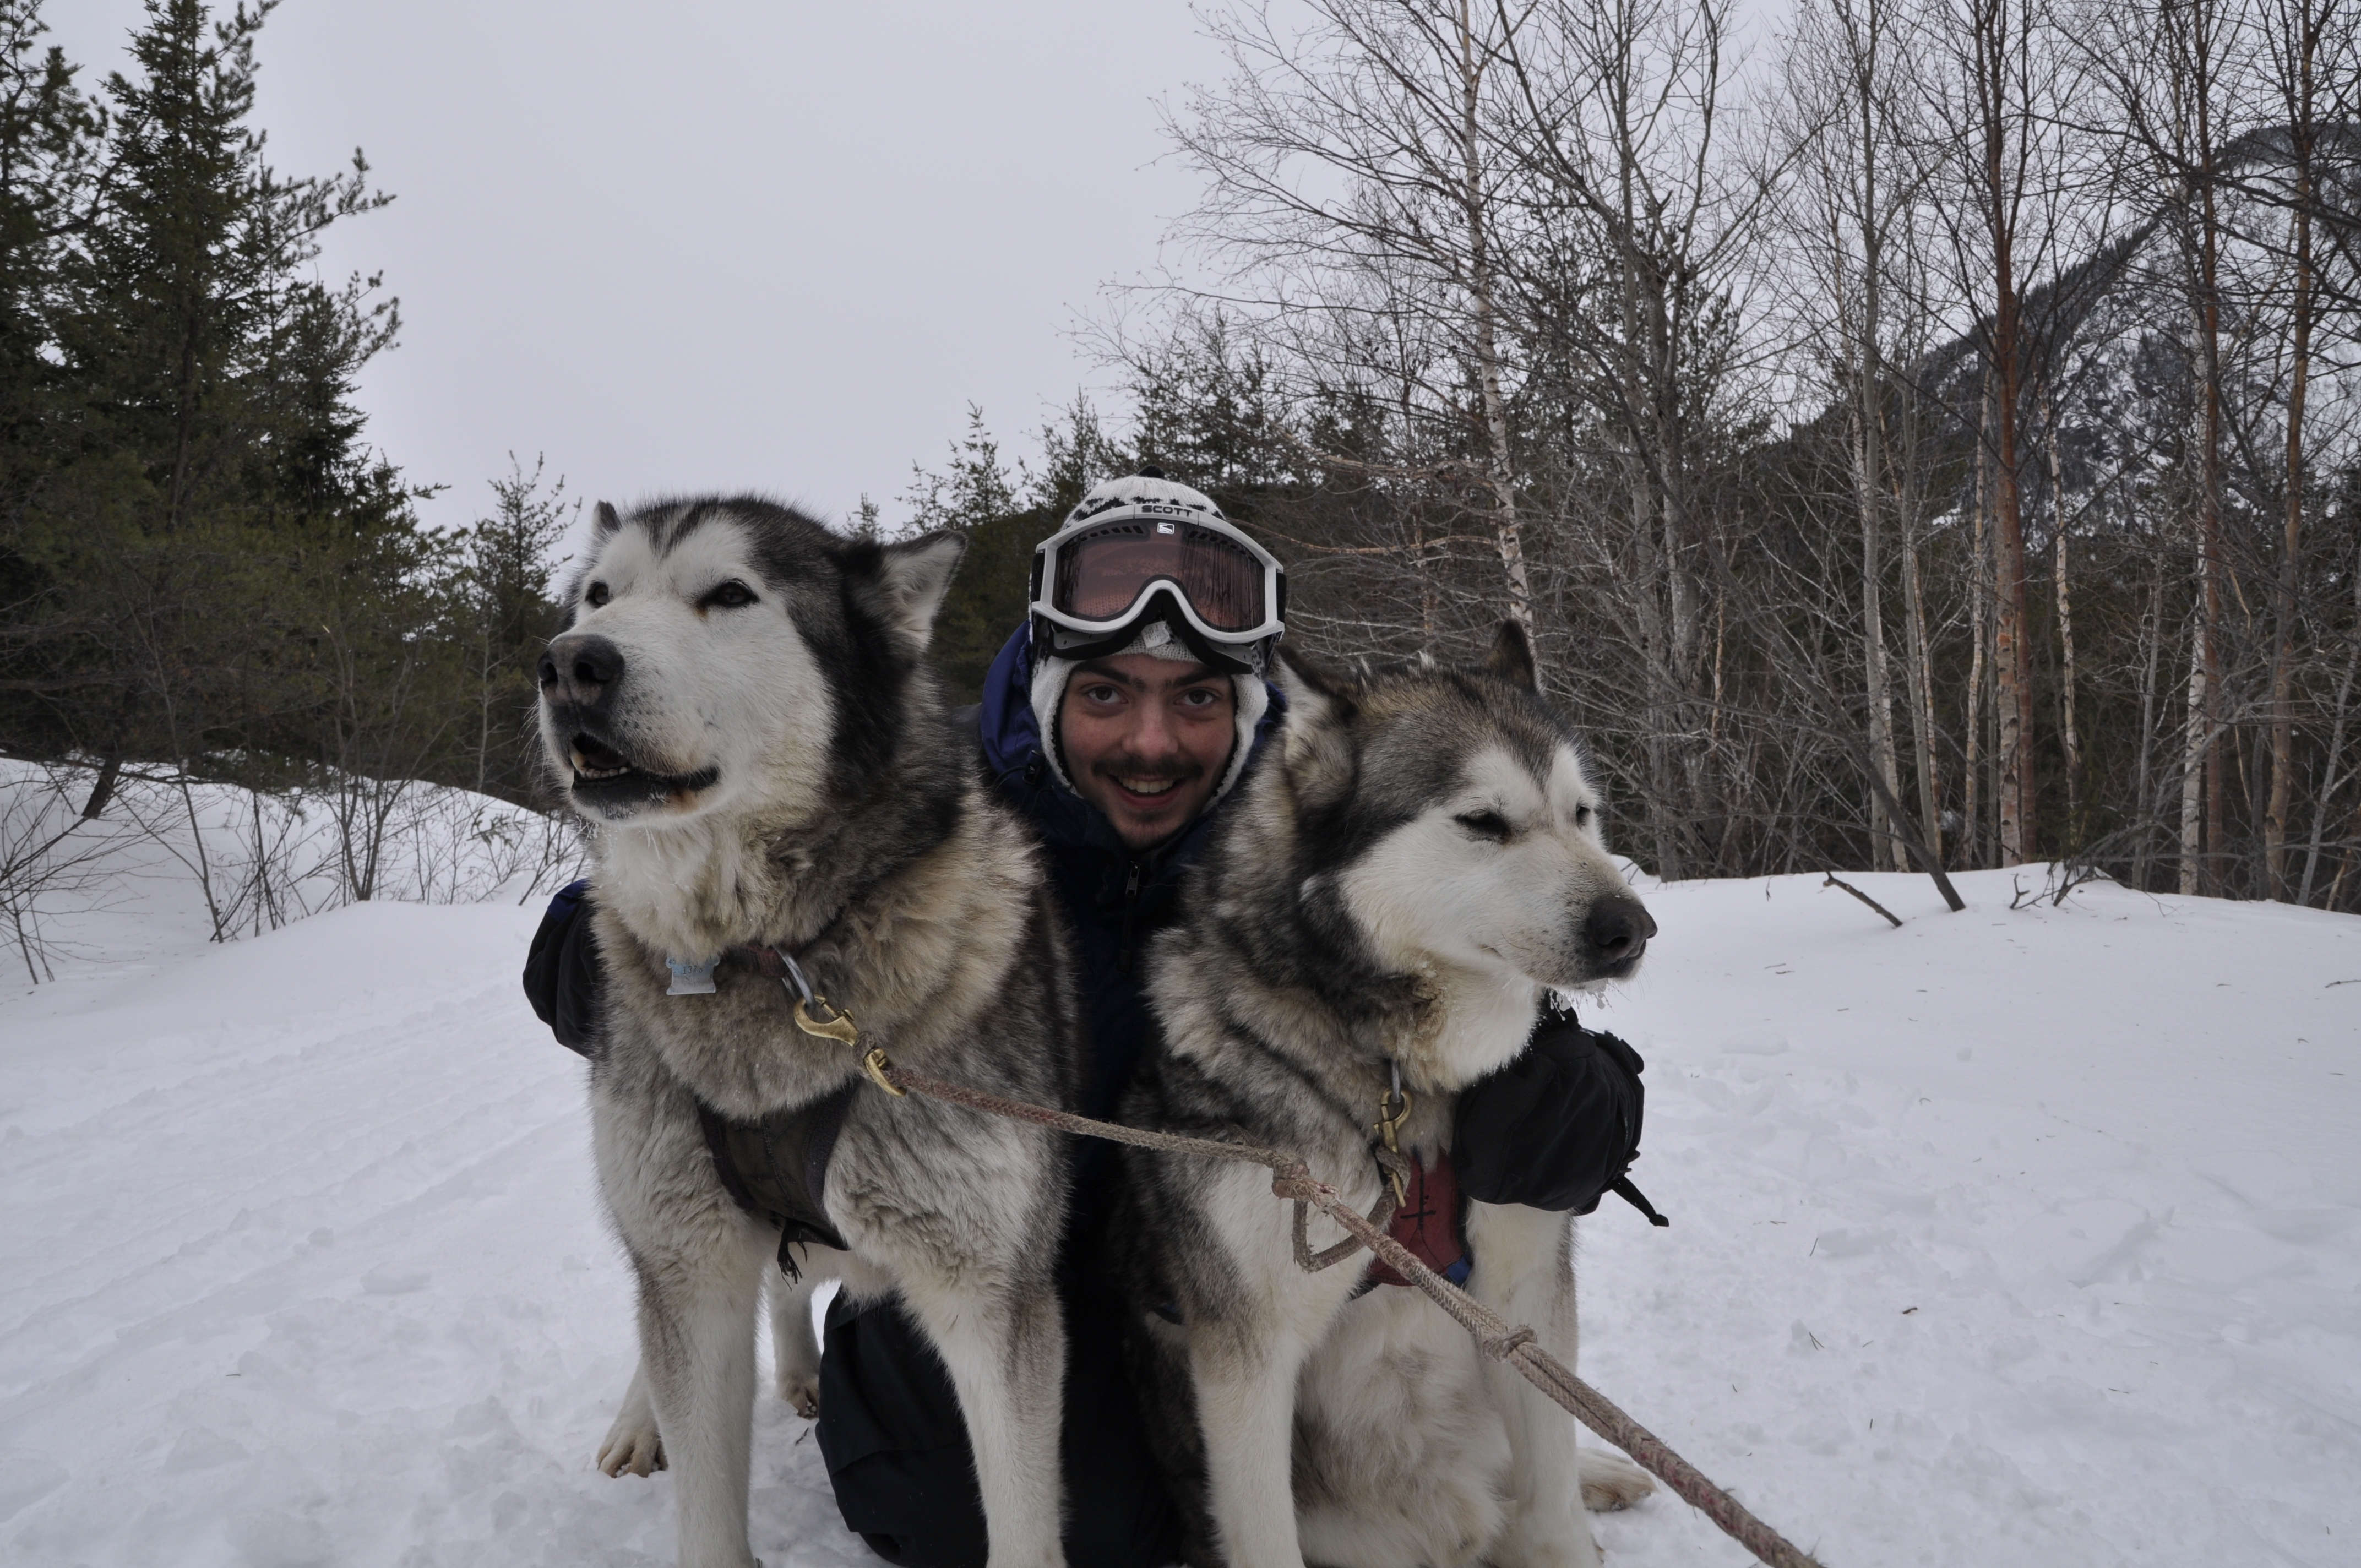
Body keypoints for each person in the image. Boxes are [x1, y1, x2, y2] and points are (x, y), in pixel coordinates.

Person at [524, 469, 1658, 1568]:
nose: (1152, 742)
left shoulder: (1299, 829)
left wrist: (1578, 1097)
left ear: (1247, 712)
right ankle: (769, 1348)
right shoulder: (938, 807)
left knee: (1130, 1513)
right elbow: (711, 845)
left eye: (1197, 698)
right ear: (1049, 689)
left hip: (1151, 1263)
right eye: (1107, 692)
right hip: (978, 1231)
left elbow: (1450, 948)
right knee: (955, 1510)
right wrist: (601, 962)